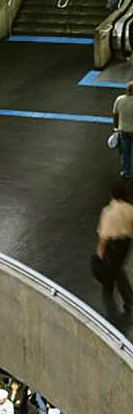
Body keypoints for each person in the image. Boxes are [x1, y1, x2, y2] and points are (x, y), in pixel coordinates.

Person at [96, 182, 133, 320]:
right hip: (126, 243)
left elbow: (103, 236)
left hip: (113, 245)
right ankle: (124, 297)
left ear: (112, 195)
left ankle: (128, 299)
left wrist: (100, 250)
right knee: (118, 268)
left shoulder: (108, 212)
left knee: (116, 271)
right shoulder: (130, 209)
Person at [112, 81, 133, 178]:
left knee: (125, 152)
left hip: (123, 130)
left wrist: (116, 128)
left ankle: (126, 172)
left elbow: (115, 115)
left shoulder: (119, 100)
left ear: (127, 90)